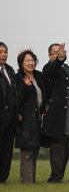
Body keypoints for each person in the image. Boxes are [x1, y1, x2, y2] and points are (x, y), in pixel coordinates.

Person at [41, 43, 69, 183]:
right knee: (57, 147)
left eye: (60, 52)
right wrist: (59, 59)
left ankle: (57, 176)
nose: (58, 54)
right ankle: (56, 178)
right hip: (56, 115)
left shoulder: (67, 68)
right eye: (55, 52)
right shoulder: (49, 67)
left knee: (67, 145)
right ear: (49, 55)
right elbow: (50, 73)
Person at [16, 50, 46, 183]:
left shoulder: (39, 77)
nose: (31, 63)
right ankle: (26, 182)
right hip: (26, 120)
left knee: (35, 149)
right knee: (27, 151)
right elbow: (16, 99)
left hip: (38, 119)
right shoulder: (18, 78)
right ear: (21, 64)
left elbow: (44, 96)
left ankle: (31, 181)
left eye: (32, 60)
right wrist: (24, 86)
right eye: (27, 60)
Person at [0, 42, 18, 183]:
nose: (4, 54)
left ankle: (3, 178)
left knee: (7, 150)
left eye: (5, 51)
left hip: (9, 118)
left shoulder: (10, 71)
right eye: (0, 52)